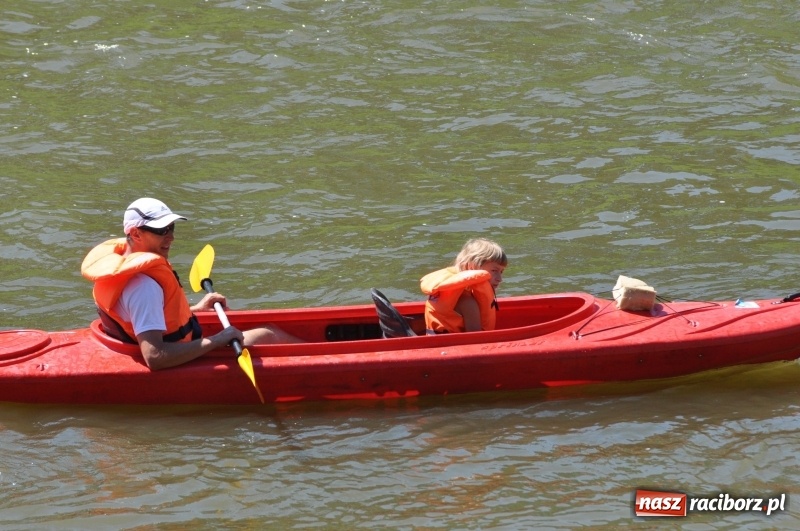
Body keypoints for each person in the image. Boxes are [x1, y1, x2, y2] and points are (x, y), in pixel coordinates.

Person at [81, 197, 301, 370]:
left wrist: (196, 309)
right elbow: (155, 357)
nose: (170, 237)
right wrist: (217, 340)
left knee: (267, 332)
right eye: (161, 231)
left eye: (171, 228)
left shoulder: (125, 270)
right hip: (176, 357)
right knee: (270, 334)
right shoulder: (144, 287)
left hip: (154, 342)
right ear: (135, 233)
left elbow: (145, 319)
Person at [420, 238, 507, 334]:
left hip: (437, 344)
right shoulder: (468, 303)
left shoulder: (446, 292)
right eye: (494, 271)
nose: (500, 278)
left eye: (501, 272)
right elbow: (476, 340)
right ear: (472, 267)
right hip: (452, 347)